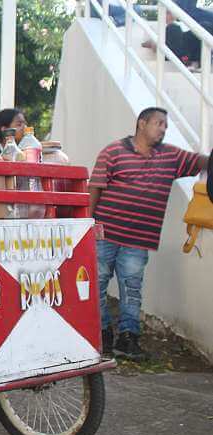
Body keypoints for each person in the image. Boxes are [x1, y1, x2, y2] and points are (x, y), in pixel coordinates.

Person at [89, 107, 209, 361]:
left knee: (132, 289)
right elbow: (95, 188)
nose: (163, 129)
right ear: (142, 123)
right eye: (159, 123)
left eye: (166, 125)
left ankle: (128, 339)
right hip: (104, 233)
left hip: (138, 239)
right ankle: (101, 333)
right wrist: (87, 223)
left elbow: (201, 162)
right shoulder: (113, 152)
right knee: (96, 284)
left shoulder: (171, 156)